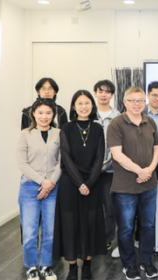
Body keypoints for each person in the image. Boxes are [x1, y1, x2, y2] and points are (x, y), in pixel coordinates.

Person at [107, 86, 158, 279]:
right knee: (126, 228)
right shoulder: (116, 123)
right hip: (125, 187)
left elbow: (157, 149)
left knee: (148, 226)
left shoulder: (150, 122)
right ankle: (129, 264)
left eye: (140, 100)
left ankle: (146, 262)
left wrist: (149, 170)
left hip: (149, 185)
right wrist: (140, 170)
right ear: (125, 102)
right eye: (133, 100)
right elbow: (117, 154)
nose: (137, 104)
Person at [53, 90, 106, 280]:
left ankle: (87, 265)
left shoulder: (98, 128)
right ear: (74, 106)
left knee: (90, 223)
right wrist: (79, 183)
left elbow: (100, 158)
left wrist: (89, 182)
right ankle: (73, 266)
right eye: (80, 103)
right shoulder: (66, 128)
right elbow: (65, 157)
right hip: (70, 183)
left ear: (92, 106)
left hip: (93, 183)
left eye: (87, 103)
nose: (84, 106)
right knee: (70, 224)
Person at [16, 98, 61, 280]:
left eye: (48, 113)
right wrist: (42, 181)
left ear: (53, 115)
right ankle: (31, 266)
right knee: (29, 231)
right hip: (29, 187)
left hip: (53, 186)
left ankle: (45, 266)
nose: (44, 116)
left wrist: (50, 182)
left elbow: (61, 161)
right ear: (33, 113)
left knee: (50, 231)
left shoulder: (59, 133)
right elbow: (22, 163)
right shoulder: (25, 134)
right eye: (40, 112)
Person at [93, 80, 120, 251]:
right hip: (89, 171)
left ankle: (107, 237)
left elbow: (117, 144)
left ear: (112, 95)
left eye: (107, 91)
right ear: (95, 93)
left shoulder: (118, 117)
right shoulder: (89, 114)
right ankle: (91, 237)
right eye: (100, 91)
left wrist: (105, 165)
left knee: (109, 206)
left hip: (110, 170)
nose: (103, 94)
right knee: (92, 207)